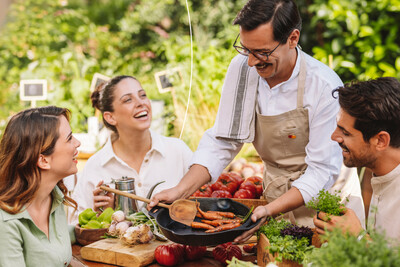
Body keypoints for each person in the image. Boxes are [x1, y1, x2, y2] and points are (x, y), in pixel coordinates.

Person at [149, 0, 364, 237]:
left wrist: (270, 209)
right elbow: (224, 140)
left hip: (328, 209)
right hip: (275, 200)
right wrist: (180, 190)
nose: (251, 61)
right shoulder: (242, 68)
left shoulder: (323, 85)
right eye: (245, 49)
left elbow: (322, 171)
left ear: (293, 39)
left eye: (262, 52)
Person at [70, 75, 192, 222]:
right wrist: (103, 215)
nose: (141, 103)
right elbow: (79, 228)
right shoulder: (95, 167)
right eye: (128, 100)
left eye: (143, 95)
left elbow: (206, 204)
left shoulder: (178, 151)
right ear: (110, 117)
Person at [313, 77, 400, 241]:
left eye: (345, 133)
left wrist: (358, 237)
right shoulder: (381, 173)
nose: (334, 137)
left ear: (380, 141)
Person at [0, 106, 81, 266]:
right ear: (43, 160)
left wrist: (90, 232)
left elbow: (53, 248)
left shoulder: (54, 196)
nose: (78, 143)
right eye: (70, 138)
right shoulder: (6, 224)